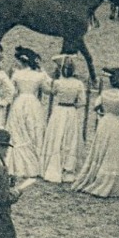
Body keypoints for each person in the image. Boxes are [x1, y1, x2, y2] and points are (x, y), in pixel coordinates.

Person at [73, 68, 119, 198]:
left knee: (101, 149)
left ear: (111, 82)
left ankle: (96, 177)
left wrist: (104, 112)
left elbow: (96, 106)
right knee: (114, 152)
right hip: (117, 124)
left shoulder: (104, 94)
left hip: (105, 122)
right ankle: (110, 183)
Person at [40, 56, 86, 185]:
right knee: (70, 139)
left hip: (59, 111)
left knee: (57, 137)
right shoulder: (78, 84)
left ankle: (55, 167)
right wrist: (73, 106)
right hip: (71, 111)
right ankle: (68, 169)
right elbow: (82, 102)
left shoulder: (59, 83)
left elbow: (52, 92)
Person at [5, 47, 48, 179]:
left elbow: (10, 89)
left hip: (20, 102)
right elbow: (48, 89)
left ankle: (16, 163)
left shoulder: (17, 74)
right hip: (33, 103)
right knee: (33, 130)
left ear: (22, 61)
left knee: (17, 130)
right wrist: (44, 72)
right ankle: (34, 163)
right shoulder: (39, 75)